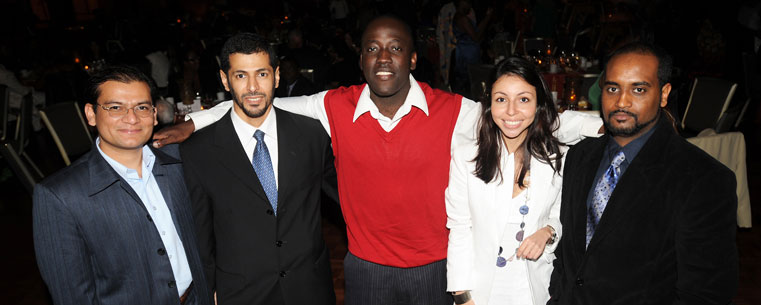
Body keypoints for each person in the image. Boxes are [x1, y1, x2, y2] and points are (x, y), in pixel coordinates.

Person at [153, 15, 601, 305]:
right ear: (361, 57)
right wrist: (196, 122)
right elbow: (260, 99)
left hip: (433, 268)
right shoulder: (336, 105)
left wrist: (604, 123)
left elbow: (521, 113)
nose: (383, 57)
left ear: (411, 57)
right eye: (372, 48)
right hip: (365, 268)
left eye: (394, 48)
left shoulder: (451, 111)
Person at [548, 42, 738, 304]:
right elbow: (567, 254)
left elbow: (705, 294)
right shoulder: (579, 156)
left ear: (663, 93)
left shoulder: (703, 179)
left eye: (638, 89)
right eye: (612, 88)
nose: (622, 101)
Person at [179, 33, 337, 305]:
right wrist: (208, 292)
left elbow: (345, 198)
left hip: (309, 288)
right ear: (225, 80)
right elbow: (201, 236)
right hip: (240, 293)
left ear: (276, 76)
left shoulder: (313, 135)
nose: (253, 87)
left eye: (261, 74)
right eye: (241, 76)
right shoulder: (198, 151)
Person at [33, 65, 212, 305]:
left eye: (142, 107)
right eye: (115, 107)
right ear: (91, 114)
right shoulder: (61, 195)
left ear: (155, 114)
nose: (131, 118)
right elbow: (73, 296)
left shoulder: (180, 162)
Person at [446, 57, 566, 305]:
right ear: (489, 104)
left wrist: (548, 232)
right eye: (501, 99)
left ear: (538, 104)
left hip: (535, 290)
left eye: (523, 99)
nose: (512, 111)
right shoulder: (466, 157)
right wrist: (461, 296)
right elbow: (459, 229)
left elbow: (559, 214)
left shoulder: (555, 158)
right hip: (481, 292)